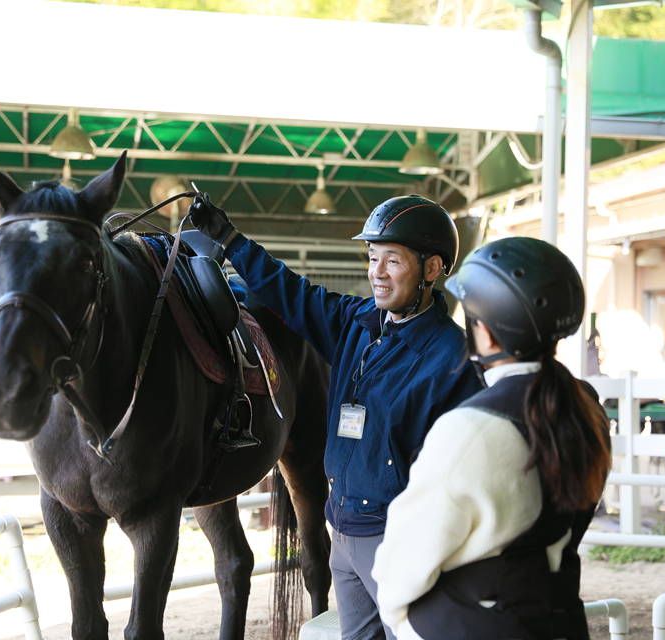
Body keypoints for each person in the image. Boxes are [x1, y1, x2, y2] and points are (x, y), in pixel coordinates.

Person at [189, 193, 482, 640]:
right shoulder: (357, 321)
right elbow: (289, 293)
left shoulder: (452, 358)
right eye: (372, 257)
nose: (377, 273)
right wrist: (228, 239)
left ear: (433, 269)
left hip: (398, 541)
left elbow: (465, 469)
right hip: (343, 534)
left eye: (393, 261)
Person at [372, 237, 612, 640]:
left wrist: (405, 623)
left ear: (485, 332)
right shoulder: (586, 409)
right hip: (560, 621)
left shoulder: (470, 429)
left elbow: (400, 569)